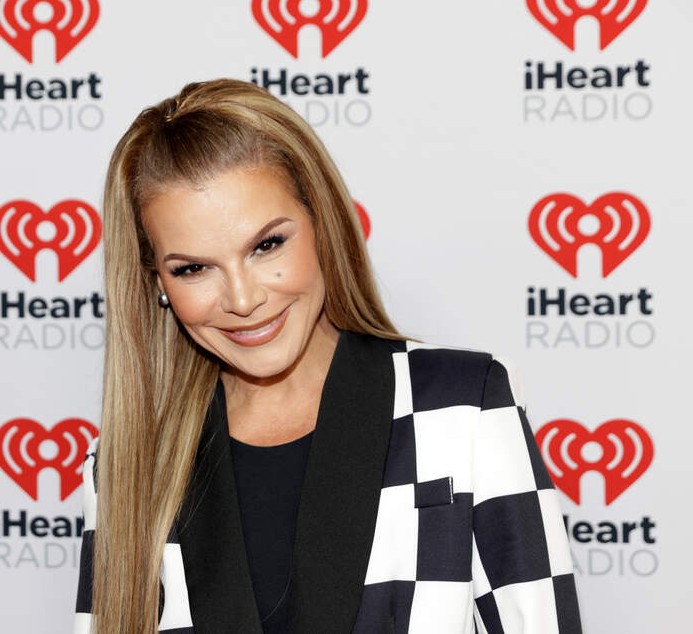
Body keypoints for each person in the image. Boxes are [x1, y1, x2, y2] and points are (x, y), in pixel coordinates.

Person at [72, 79, 581, 633]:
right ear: (157, 282)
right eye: (193, 268)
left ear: (323, 222)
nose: (243, 299)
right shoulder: (128, 462)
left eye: (267, 245)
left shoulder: (463, 406)